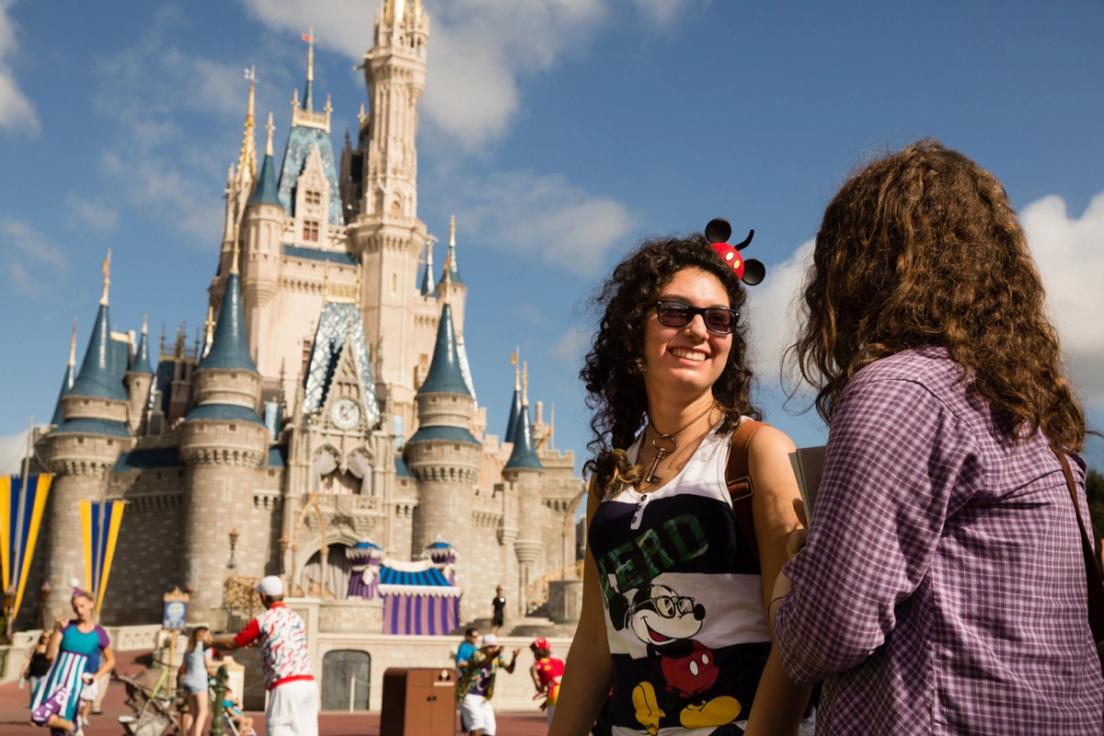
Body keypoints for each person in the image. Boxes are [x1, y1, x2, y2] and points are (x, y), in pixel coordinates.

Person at [770, 140, 1104, 734]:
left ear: (860, 265)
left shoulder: (903, 391)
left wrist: (790, 582)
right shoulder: (1029, 412)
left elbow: (825, 635)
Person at [552, 228, 811, 735]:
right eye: (676, 311)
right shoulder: (612, 476)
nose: (698, 330)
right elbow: (594, 638)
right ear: (634, 329)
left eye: (719, 319)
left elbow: (795, 638)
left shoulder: (756, 452)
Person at [211, 576, 318, 736]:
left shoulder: (262, 620)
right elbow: (283, 642)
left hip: (285, 687)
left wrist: (209, 641)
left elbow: (231, 644)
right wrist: (260, 643)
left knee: (279, 730)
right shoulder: (297, 618)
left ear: (262, 597)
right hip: (308, 685)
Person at [30, 588, 114, 736]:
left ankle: (71, 726)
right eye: (75, 607)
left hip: (72, 687)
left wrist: (95, 677)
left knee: (40, 715)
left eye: (82, 606)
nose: (79, 610)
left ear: (91, 605)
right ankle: (72, 726)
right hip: (53, 683)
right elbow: (49, 656)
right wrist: (57, 630)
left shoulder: (99, 633)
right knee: (55, 731)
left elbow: (111, 661)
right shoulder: (67, 627)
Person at [456, 633, 519, 736]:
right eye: (491, 647)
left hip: (484, 697)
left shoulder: (497, 657)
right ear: (484, 647)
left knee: (490, 729)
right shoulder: (476, 654)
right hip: (468, 694)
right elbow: (482, 664)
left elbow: (510, 670)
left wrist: (514, 658)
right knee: (477, 723)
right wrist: (495, 654)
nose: (494, 649)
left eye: (495, 646)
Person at [178, 626, 217, 736]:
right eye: (208, 634)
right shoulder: (205, 648)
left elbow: (183, 667)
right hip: (199, 681)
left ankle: (186, 734)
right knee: (203, 712)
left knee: (192, 712)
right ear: (202, 636)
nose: (210, 637)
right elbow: (208, 665)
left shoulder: (189, 649)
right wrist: (223, 662)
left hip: (188, 681)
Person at [528, 637, 565, 725]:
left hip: (554, 696)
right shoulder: (560, 662)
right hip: (569, 695)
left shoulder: (536, 666)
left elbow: (540, 689)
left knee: (554, 730)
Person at [21, 632, 52, 707]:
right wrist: (23, 670)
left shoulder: (51, 648)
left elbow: (53, 661)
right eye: (43, 637)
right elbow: (28, 659)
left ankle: (40, 707)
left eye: (47, 637)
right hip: (34, 673)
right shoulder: (35, 647)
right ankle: (34, 707)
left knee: (42, 692)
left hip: (45, 674)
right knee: (33, 692)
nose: (45, 639)